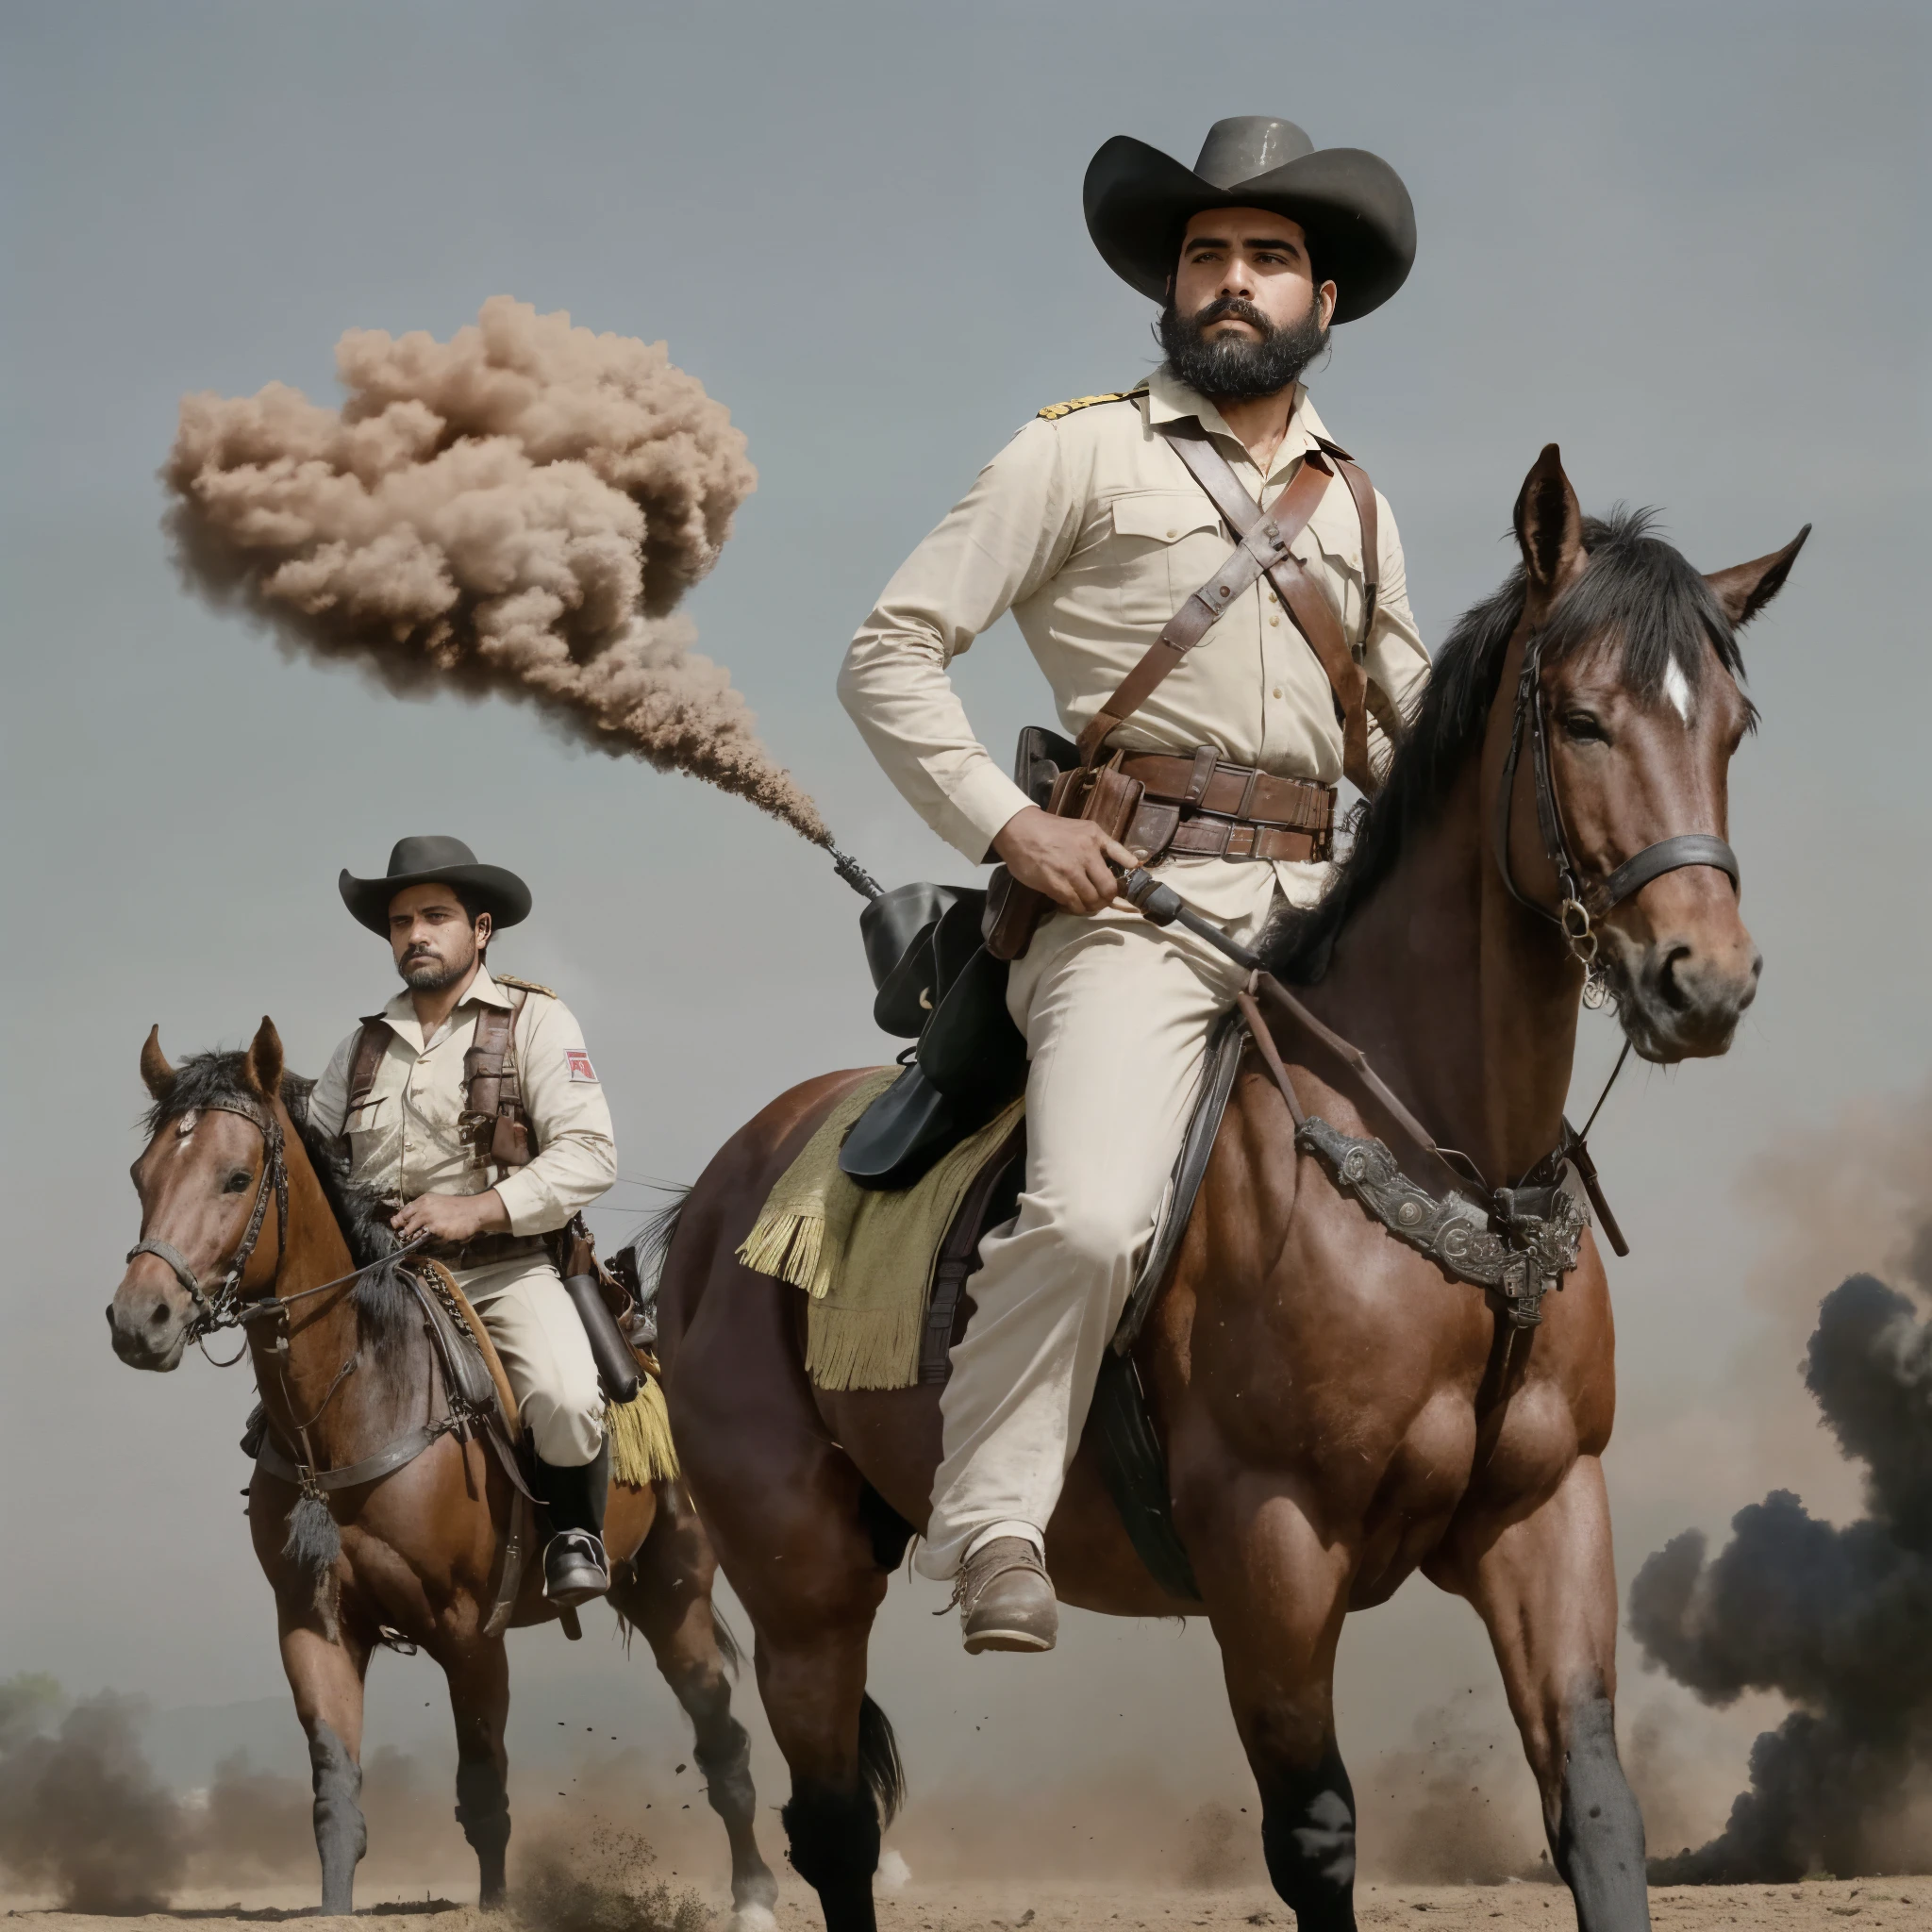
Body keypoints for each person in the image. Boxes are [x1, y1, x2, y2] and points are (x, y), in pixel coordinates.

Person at [839, 116, 1430, 1653]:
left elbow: (1414, 727)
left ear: (1323, 303)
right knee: (1095, 1215)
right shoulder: (1075, 450)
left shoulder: (1356, 504)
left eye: (1268, 257)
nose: (1232, 281)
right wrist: (1002, 827)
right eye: (1205, 254)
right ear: (1172, 285)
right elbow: (886, 652)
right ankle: (990, 1520)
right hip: (1130, 911)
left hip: (1325, 911)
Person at [308, 835, 619, 1607]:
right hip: (382, 1291)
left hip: (503, 1270)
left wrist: (474, 1208)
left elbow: (590, 1154)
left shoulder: (535, 1021)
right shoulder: (360, 1048)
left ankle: (574, 1534)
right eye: (400, 922)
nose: (414, 935)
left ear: (479, 930)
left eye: (435, 917)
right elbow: (315, 1173)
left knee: (565, 1395)